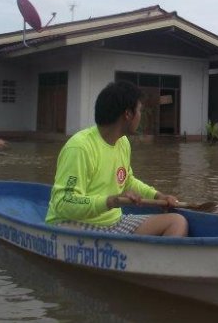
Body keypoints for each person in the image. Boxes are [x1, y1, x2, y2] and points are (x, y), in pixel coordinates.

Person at [45, 80, 188, 237]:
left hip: (114, 224)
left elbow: (127, 181)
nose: (140, 116)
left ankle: (149, 260)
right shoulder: (80, 148)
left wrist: (158, 196)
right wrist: (110, 201)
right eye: (139, 111)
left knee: (177, 222)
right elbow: (63, 202)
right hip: (74, 224)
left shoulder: (123, 142)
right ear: (128, 114)